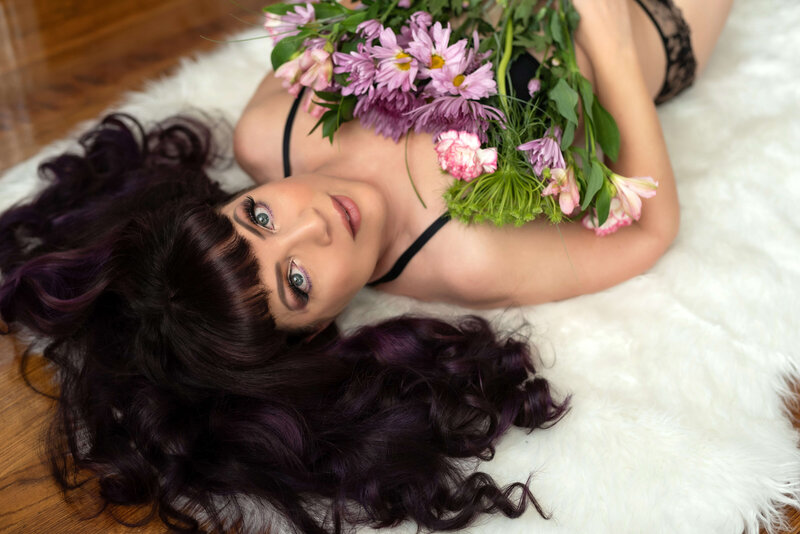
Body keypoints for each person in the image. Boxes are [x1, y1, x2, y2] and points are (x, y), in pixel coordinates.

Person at [0, 0, 731, 533]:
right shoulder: (463, 252)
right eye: (295, 281)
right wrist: (609, 37)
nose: (311, 223)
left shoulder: (271, 131)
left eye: (258, 218)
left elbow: (352, 13)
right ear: (317, 330)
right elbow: (647, 235)